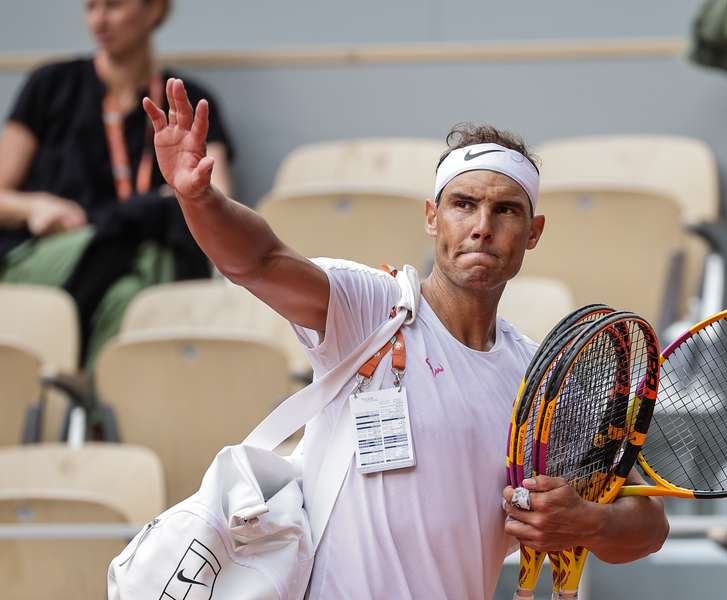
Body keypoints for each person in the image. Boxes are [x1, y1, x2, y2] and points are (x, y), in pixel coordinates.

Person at [143, 79, 668, 599]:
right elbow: (258, 261)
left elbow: (649, 525)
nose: (482, 226)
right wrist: (201, 199)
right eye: (463, 204)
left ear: (533, 232)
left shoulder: (543, 382)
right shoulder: (371, 309)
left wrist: (589, 523)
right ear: (432, 217)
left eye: (506, 210)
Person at [0, 0, 234, 370]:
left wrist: (177, 198)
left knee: (132, 295)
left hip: (134, 265)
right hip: (55, 248)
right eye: (90, 7)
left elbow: (219, 200)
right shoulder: (51, 84)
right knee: (159, 230)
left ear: (154, 10)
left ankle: (91, 416)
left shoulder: (185, 99)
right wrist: (36, 206)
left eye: (113, 5)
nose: (98, 20)